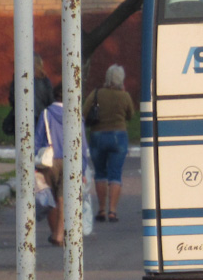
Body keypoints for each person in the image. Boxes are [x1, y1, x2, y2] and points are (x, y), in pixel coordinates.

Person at [35, 86, 92, 246]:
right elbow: (82, 145)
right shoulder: (76, 116)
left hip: (49, 162)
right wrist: (82, 169)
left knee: (51, 198)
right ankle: (60, 235)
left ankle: (54, 232)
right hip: (70, 161)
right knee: (64, 199)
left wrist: (33, 164)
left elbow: (38, 139)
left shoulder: (46, 113)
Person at [83, 64, 134, 223]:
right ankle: (112, 211)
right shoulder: (124, 96)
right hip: (118, 136)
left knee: (100, 173)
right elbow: (131, 115)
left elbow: (84, 112)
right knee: (115, 174)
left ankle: (101, 209)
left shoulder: (96, 93)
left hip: (97, 136)